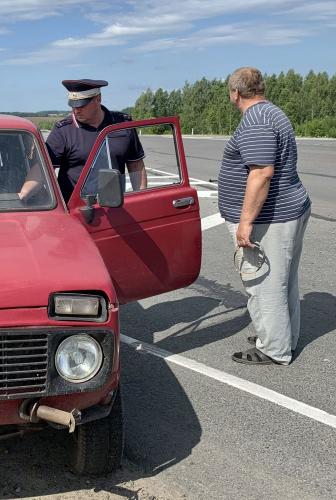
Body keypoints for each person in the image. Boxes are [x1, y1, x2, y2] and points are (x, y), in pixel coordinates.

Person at [218, 67, 311, 365]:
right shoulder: (272, 112)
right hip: (287, 210)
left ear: (235, 93)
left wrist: (245, 223)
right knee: (283, 281)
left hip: (271, 218)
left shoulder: (256, 120)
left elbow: (260, 173)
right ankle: (280, 336)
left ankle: (273, 348)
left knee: (264, 283)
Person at [40, 79, 146, 202]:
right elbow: (44, 171)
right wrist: (23, 195)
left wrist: (141, 199)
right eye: (73, 105)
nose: (76, 110)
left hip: (114, 205)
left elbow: (136, 164)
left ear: (98, 99)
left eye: (82, 105)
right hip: (77, 210)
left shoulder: (122, 124)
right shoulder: (63, 131)